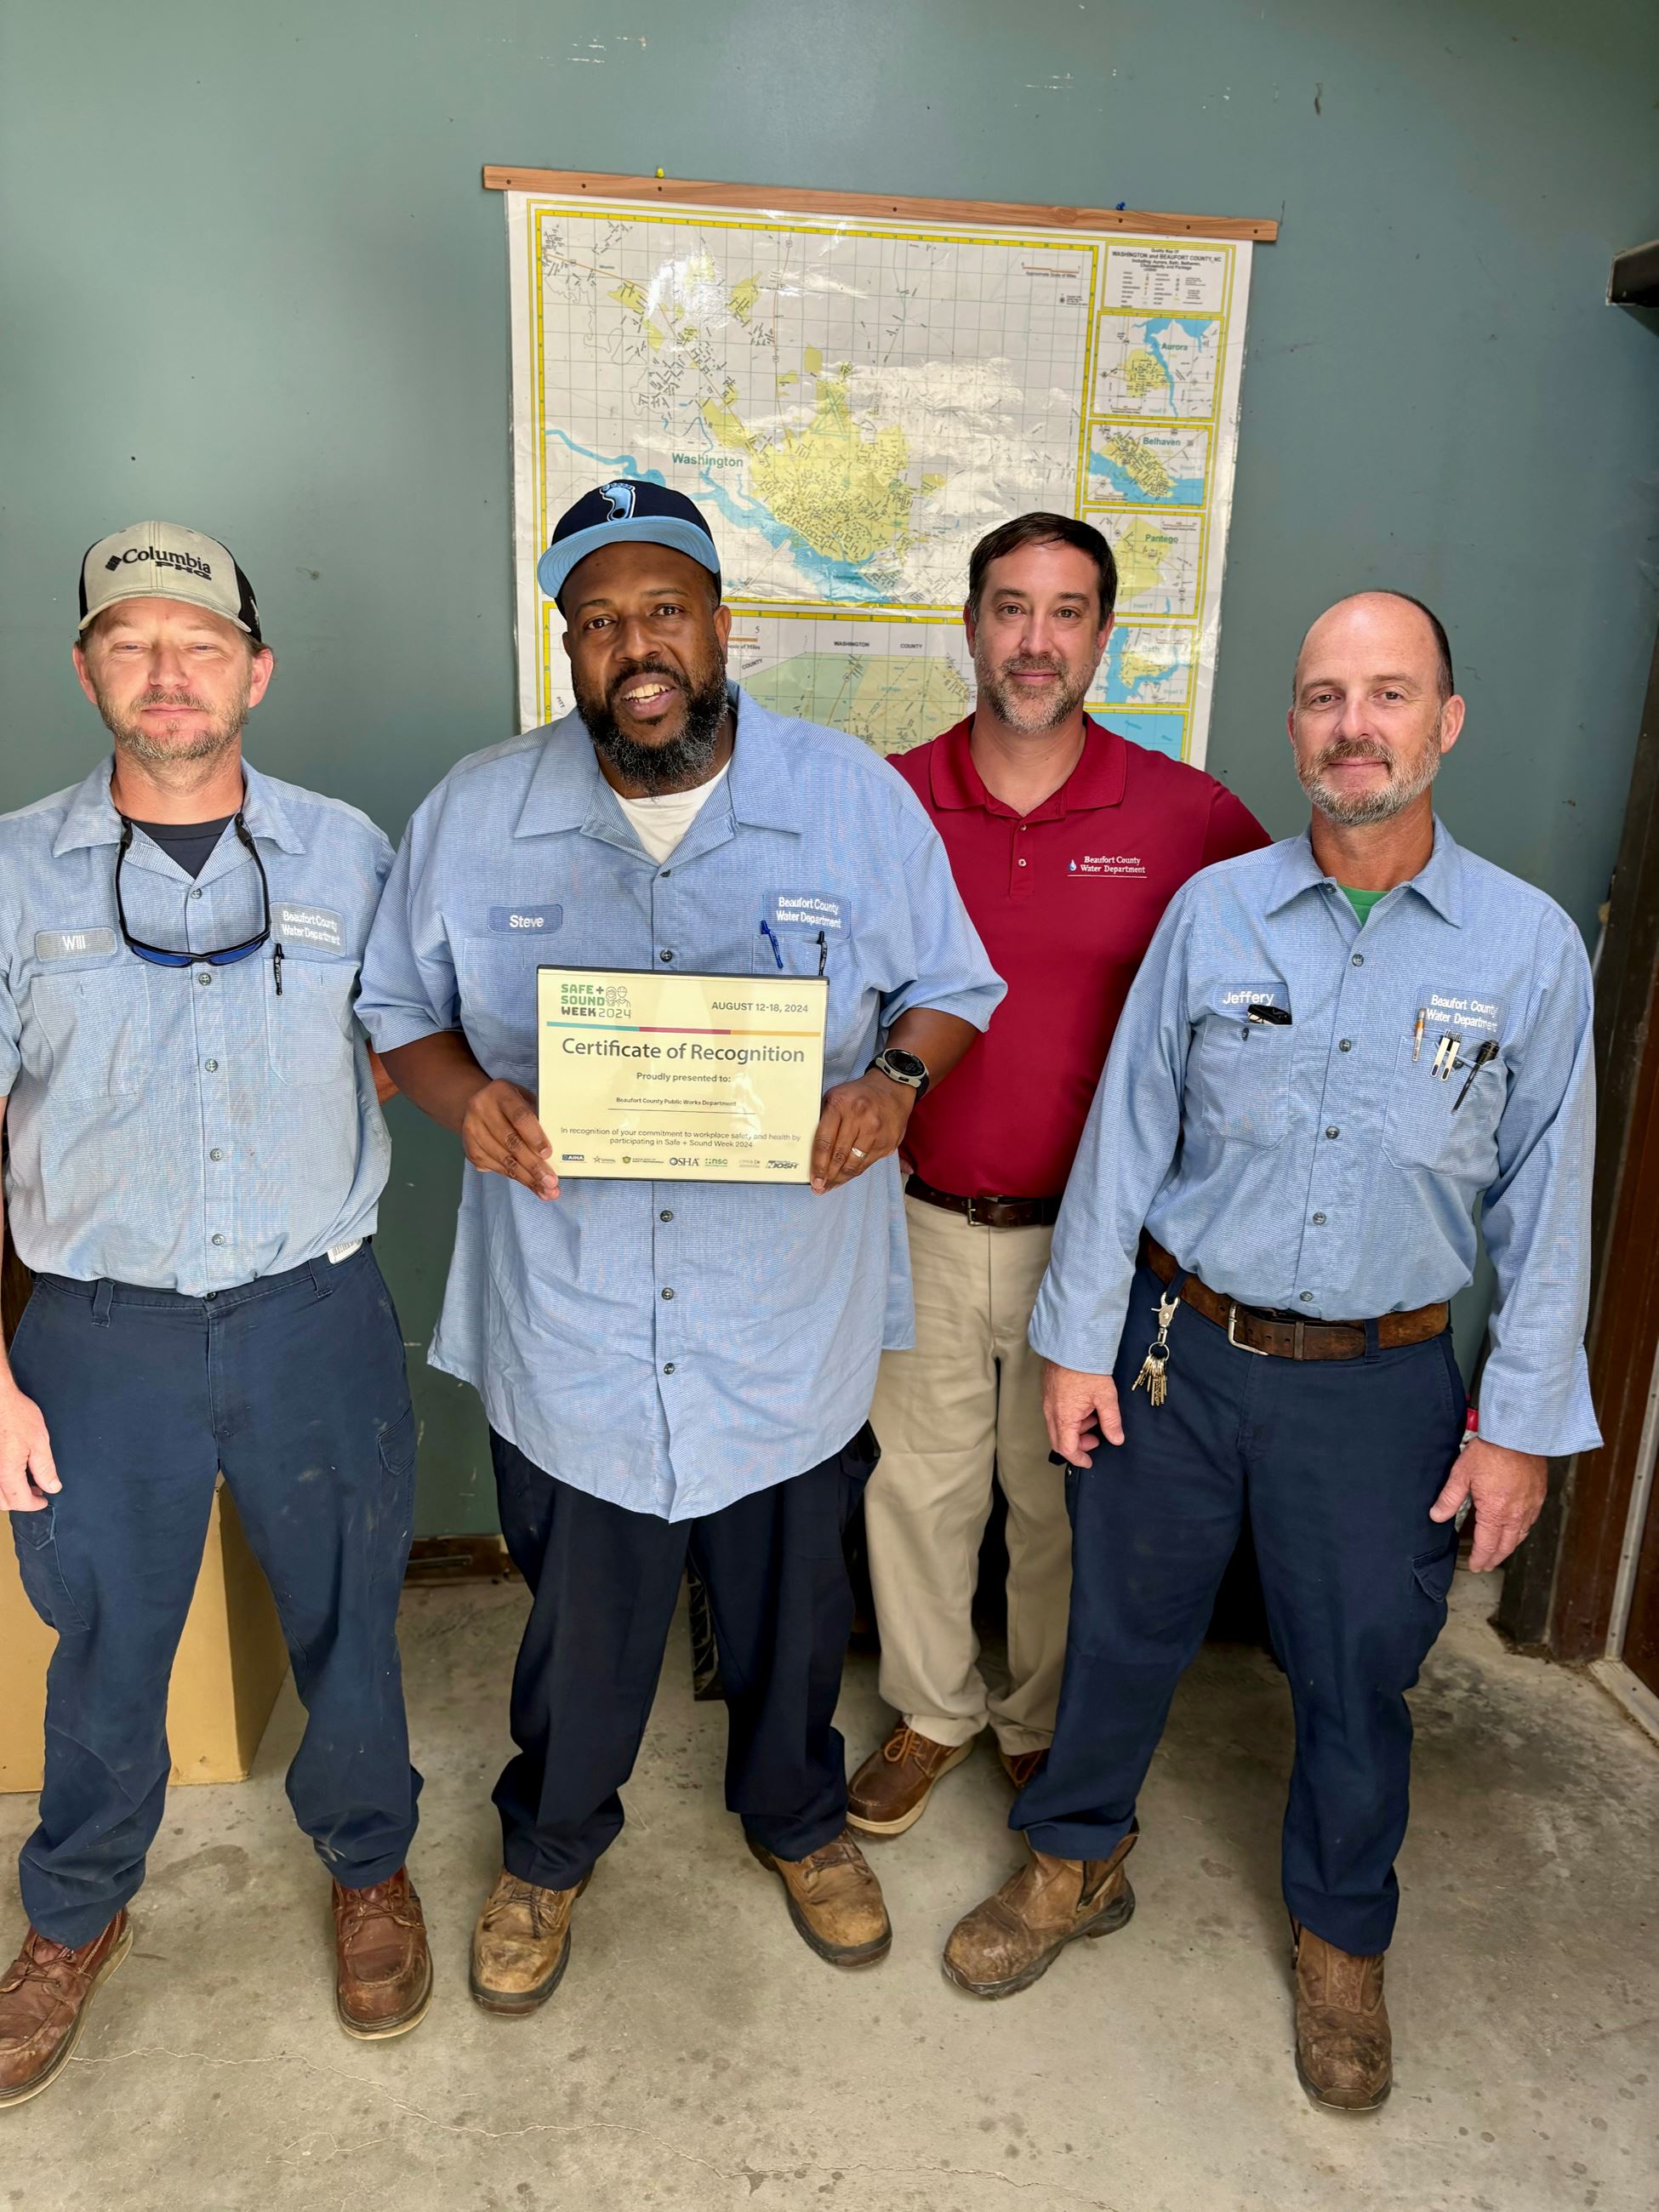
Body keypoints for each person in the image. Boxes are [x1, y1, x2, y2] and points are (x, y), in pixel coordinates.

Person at [943, 591, 1599, 2116]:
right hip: (1178, 1354)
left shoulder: (1525, 949)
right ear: (1292, 726)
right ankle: (1071, 1862)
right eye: (1322, 697)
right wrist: (1077, 1342)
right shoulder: (1214, 912)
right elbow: (1124, 1139)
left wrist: (1516, 1425)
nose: (1350, 727)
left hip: (1381, 1384)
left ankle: (1339, 1942)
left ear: (1444, 724)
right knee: (1117, 1631)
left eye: (1386, 696)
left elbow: (1548, 1204)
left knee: (1359, 1670)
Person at [356, 480, 1003, 2014]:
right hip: (572, 1313)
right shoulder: (474, 810)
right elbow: (398, 1009)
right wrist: (471, 1109)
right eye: (595, 625)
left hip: (782, 1312)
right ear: (565, 649)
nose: (631, 647)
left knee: (791, 1613)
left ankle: (796, 1820)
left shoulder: (851, 799)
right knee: (580, 1624)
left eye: (660, 613)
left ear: (723, 626)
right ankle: (551, 1848)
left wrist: (892, 1084)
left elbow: (951, 985)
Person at [0, 523, 430, 2109]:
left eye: (199, 645)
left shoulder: (350, 857)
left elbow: (424, 1037)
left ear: (256, 669)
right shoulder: (7, 871)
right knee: (106, 1645)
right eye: (131, 643)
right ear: (86, 671)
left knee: (349, 1624)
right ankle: (72, 1917)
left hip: (313, 1312)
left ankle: (370, 1870)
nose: (167, 674)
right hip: (97, 1338)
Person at [846, 514, 1268, 1841]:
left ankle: (1035, 1724)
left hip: (1092, 1242)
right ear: (968, 625)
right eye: (1011, 609)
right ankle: (930, 1712)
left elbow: (1282, 968)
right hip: (906, 1216)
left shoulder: (1184, 815)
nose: (1036, 641)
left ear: (1103, 637)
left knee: (1055, 1501)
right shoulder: (883, 798)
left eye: (1067, 612)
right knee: (915, 1487)